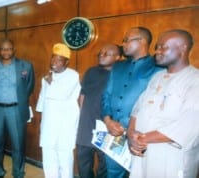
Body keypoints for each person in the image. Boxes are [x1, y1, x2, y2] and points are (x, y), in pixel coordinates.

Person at [127, 29, 199, 178]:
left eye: (163, 47)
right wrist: (131, 134)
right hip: (142, 155)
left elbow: (188, 126)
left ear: (183, 48)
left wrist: (140, 139)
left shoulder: (194, 80)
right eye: (157, 47)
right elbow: (137, 109)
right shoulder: (157, 77)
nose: (157, 51)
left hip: (171, 159)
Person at [101, 27, 161, 178]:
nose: (123, 44)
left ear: (142, 41)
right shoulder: (118, 66)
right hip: (115, 132)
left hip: (142, 136)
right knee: (113, 173)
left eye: (127, 40)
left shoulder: (158, 67)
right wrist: (108, 120)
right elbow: (106, 95)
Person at [0, 39, 35, 178]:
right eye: (2, 49)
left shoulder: (26, 66)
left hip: (16, 110)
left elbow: (29, 86)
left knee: (18, 144)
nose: (5, 52)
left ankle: (18, 172)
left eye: (8, 49)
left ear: (14, 50)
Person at [76, 43, 122, 178]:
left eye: (106, 53)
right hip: (87, 125)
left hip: (108, 128)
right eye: (100, 53)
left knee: (105, 167)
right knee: (83, 164)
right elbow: (82, 96)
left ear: (118, 57)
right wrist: (84, 116)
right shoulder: (91, 72)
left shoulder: (121, 75)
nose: (101, 55)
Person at [36, 43, 81, 178]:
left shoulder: (73, 75)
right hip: (49, 124)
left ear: (66, 62)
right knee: (48, 156)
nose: (54, 62)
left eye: (59, 60)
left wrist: (50, 82)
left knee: (64, 157)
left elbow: (62, 95)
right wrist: (41, 121)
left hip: (65, 125)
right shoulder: (47, 77)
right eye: (53, 58)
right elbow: (42, 100)